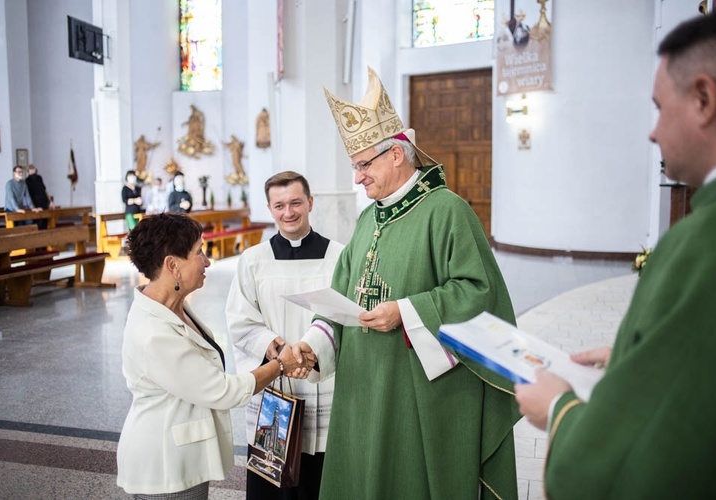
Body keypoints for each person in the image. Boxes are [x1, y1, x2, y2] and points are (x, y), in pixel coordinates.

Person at [514, 7, 716, 499]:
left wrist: (560, 409)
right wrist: (638, 359)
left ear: (703, 97)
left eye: (659, 106)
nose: (652, 132)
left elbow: (631, 465)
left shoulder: (705, 241)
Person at [292, 67, 520, 499]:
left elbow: (479, 292)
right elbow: (340, 298)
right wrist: (313, 345)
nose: (357, 177)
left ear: (397, 154)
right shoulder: (366, 220)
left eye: (363, 165)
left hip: (416, 393)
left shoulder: (446, 211)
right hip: (362, 388)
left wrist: (406, 311)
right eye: (355, 166)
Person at [116, 212, 312, 498]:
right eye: (199, 252)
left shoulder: (171, 305)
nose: (207, 261)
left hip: (182, 457)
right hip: (164, 467)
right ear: (172, 265)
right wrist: (280, 366)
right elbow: (222, 390)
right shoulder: (153, 333)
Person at [226, 171, 344, 499]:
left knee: (318, 477)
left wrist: (310, 351)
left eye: (295, 203)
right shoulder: (253, 261)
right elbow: (240, 320)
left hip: (323, 378)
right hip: (274, 380)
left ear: (310, 202)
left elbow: (343, 316)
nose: (288, 212)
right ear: (269, 207)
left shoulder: (338, 256)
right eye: (279, 205)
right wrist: (277, 349)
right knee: (273, 475)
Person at [25, 165, 53, 229]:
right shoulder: (27, 180)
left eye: (33, 169)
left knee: (45, 221)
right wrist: (33, 206)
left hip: (44, 201)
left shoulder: (39, 177)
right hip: (35, 202)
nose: (32, 171)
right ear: (28, 171)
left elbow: (44, 190)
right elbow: (28, 194)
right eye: (30, 169)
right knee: (37, 222)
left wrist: (50, 201)